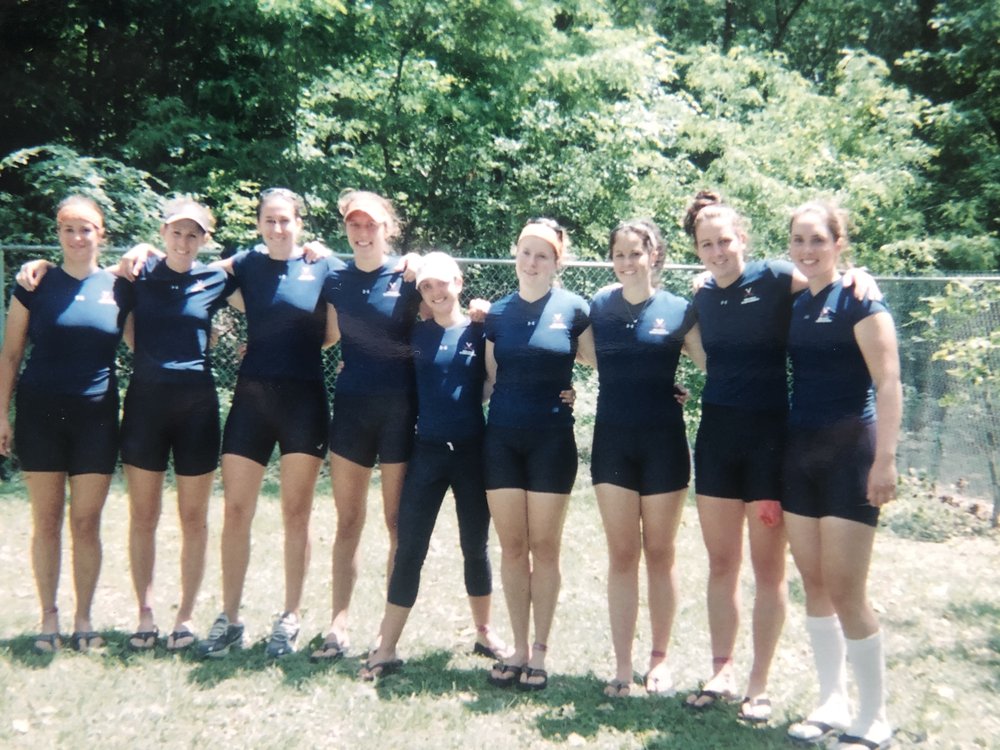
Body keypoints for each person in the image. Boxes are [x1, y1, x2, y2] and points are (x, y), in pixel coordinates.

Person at [682, 191, 879, 722]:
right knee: (721, 564)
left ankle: (758, 683)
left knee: (768, 572)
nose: (718, 251)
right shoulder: (699, 295)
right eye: (708, 244)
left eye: (726, 241)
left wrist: (862, 275)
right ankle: (721, 670)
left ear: (742, 239)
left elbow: (828, 282)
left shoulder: (775, 278)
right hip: (717, 439)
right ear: (698, 250)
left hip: (772, 442)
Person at [186, 188, 343, 659]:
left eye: (285, 220)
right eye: (269, 220)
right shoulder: (247, 264)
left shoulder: (323, 266)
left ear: (299, 223)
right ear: (259, 224)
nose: (278, 228)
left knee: (296, 513)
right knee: (236, 510)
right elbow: (190, 269)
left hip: (304, 401)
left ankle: (290, 616)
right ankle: (230, 616)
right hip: (252, 401)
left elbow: (332, 333)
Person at [782, 202, 900, 750]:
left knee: (848, 589)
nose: (807, 250)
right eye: (798, 240)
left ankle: (874, 716)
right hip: (800, 455)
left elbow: (889, 381)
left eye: (818, 240)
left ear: (838, 244)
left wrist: (886, 460)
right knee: (815, 585)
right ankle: (832, 702)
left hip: (853, 453)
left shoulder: (861, 299)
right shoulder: (796, 298)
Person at [359, 252, 510, 680]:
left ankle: (484, 632)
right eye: (427, 286)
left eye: (443, 283)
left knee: (475, 546)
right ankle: (386, 646)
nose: (436, 292)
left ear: (459, 283)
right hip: (426, 451)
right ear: (420, 293)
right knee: (410, 548)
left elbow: (501, 378)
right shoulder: (414, 334)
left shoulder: (482, 331)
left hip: (470, 452)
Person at [0, 195, 131, 653]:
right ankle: (48, 617)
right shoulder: (35, 284)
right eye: (68, 229)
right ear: (57, 234)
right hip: (40, 414)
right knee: (47, 520)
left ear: (102, 235)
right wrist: (1, 411)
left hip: (95, 415)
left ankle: (83, 617)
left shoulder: (119, 286)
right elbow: (12, 353)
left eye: (87, 229)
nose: (77, 237)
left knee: (86, 522)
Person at [583, 220, 705, 698]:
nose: (628, 262)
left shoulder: (681, 309)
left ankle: (659, 659)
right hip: (613, 444)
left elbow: (708, 362)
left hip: (664, 447)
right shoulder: (598, 307)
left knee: (659, 554)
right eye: (620, 254)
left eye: (637, 253)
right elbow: (582, 355)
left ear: (655, 255)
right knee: (621, 555)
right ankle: (621, 664)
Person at [311, 190, 424, 661]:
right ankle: (338, 623)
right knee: (348, 521)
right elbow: (322, 334)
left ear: (388, 229)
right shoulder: (334, 279)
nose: (362, 233)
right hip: (353, 410)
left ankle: (386, 631)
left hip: (400, 411)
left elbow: (448, 310)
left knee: (396, 521)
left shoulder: (410, 274)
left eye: (371, 225)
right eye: (354, 225)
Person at [119, 200, 236, 651]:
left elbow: (262, 274)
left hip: (197, 407)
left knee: (194, 517)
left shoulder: (215, 277)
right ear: (163, 232)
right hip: (146, 404)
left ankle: (185, 616)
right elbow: (93, 275)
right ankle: (145, 613)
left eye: (194, 235)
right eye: (176, 233)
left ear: (204, 240)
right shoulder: (138, 272)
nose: (184, 242)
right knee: (143, 515)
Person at [483, 217, 592, 691]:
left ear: (557, 261)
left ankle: (542, 650)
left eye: (542, 254)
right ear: (516, 253)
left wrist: (664, 387)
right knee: (512, 548)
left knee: (544, 547)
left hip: (551, 441)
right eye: (526, 252)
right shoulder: (496, 314)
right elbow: (488, 381)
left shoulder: (574, 308)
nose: (532, 261)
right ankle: (519, 646)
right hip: (501, 441)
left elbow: (601, 361)